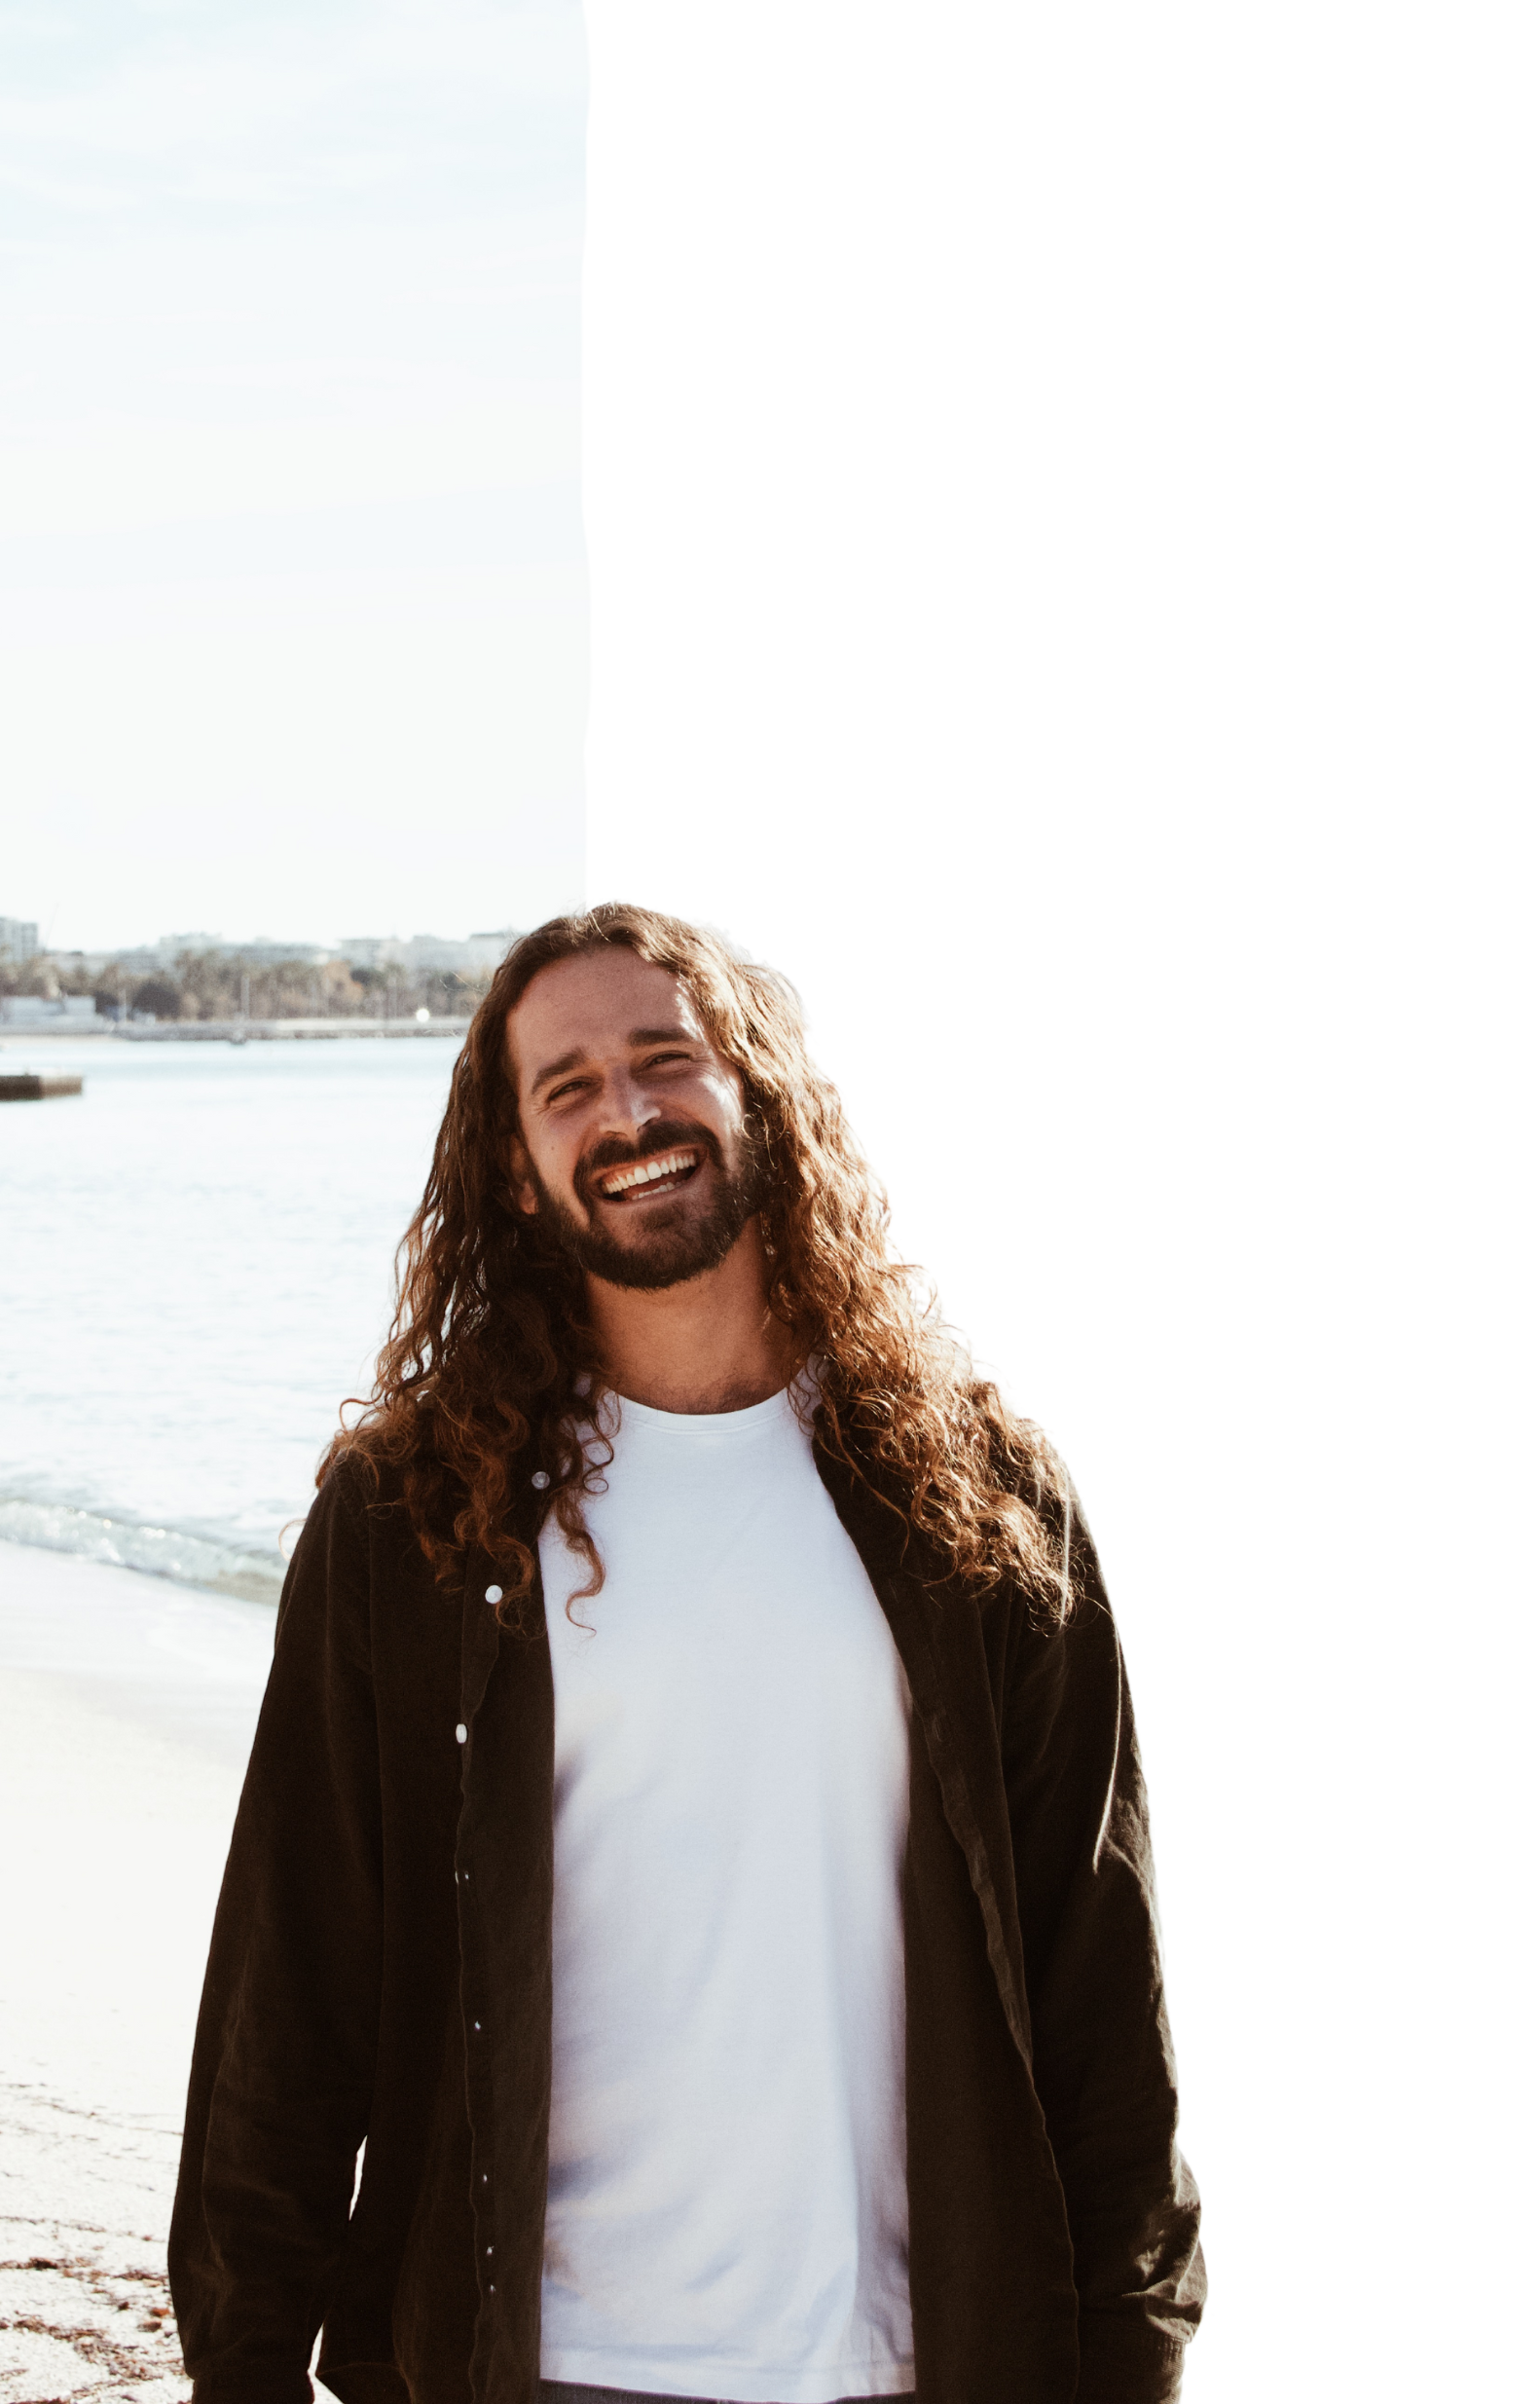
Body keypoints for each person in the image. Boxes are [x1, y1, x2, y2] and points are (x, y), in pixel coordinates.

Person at [169, 900, 1206, 2404]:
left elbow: (1102, 1971)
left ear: (763, 1096)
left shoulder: (979, 1494)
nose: (628, 1111)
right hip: (532, 2364)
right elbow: (293, 1976)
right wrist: (242, 2364)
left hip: (926, 2359)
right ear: (516, 1175)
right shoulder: (413, 1522)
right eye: (567, 1086)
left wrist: (1140, 2349)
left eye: (667, 1057)